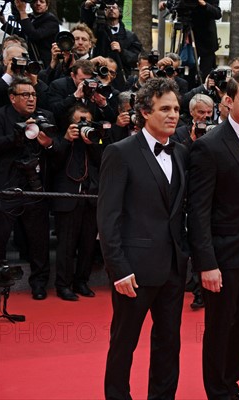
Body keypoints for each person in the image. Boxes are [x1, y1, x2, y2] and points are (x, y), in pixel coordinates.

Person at [97, 78, 189, 399]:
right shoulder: (119, 153)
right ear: (144, 112)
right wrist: (118, 268)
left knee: (168, 346)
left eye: (176, 108)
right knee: (124, 344)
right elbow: (108, 218)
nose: (174, 114)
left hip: (174, 270)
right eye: (165, 108)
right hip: (133, 272)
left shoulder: (180, 153)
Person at [187, 71, 239, 400]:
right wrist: (206, 262)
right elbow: (198, 211)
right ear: (228, 101)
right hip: (222, 256)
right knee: (220, 327)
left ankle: (230, 385)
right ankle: (218, 392)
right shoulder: (209, 146)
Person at [0, 77, 56, 300]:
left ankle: (39, 283)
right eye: (25, 95)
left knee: (39, 239)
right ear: (12, 98)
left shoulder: (45, 116)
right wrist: (17, 135)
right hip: (5, 186)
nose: (31, 99)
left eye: (33, 95)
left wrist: (47, 143)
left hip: (35, 185)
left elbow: (55, 148)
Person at [49, 105, 103, 301]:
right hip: (68, 198)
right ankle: (63, 285)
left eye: (87, 121)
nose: (83, 125)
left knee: (88, 244)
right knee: (66, 246)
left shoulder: (95, 137)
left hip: (90, 198)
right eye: (80, 121)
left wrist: (92, 142)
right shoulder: (61, 139)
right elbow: (53, 164)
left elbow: (101, 160)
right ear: (70, 123)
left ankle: (82, 281)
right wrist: (66, 140)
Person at [81, 0, 143, 83]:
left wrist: (122, 51)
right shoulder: (97, 31)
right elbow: (87, 22)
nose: (111, 9)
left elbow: (136, 57)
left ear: (119, 12)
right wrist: (87, 6)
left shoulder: (130, 36)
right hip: (99, 76)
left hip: (121, 78)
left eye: (114, 7)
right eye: (108, 8)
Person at [0, 0, 59, 67]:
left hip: (44, 64)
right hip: (29, 61)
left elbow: (35, 35)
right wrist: (4, 22)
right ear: (31, 4)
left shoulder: (51, 20)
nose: (38, 4)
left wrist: (22, 12)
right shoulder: (30, 17)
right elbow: (22, 36)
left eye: (42, 1)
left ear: (47, 6)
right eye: (35, 1)